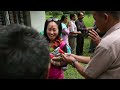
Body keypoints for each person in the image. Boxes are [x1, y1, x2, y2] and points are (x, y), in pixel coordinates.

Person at [62, 11, 120, 79]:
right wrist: (74, 56)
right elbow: (97, 60)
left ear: (105, 18)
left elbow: (89, 74)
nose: (95, 23)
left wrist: (73, 61)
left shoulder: (106, 44)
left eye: (95, 19)